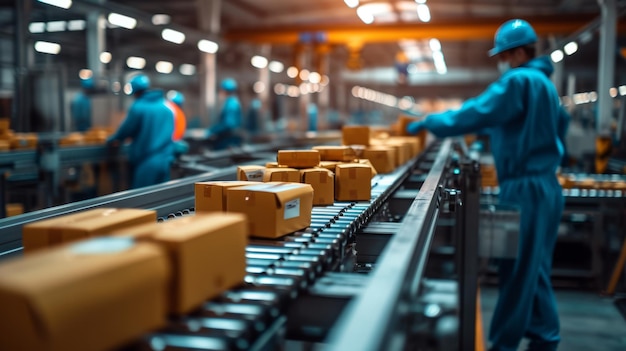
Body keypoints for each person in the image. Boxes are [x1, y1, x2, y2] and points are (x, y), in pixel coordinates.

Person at [406, 19, 570, 351]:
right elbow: (554, 126)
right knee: (535, 266)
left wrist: (431, 122)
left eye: (506, 55)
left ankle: (504, 344)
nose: (503, 62)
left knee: (517, 268)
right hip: (546, 186)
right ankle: (544, 337)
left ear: (521, 51)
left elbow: (477, 112)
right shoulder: (546, 85)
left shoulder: (519, 81)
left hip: (524, 189)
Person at [107, 74, 175, 189]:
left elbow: (126, 129)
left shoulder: (138, 107)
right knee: (163, 198)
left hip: (146, 161)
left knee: (142, 201)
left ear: (135, 91)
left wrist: (114, 139)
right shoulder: (167, 108)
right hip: (165, 160)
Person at [207, 78, 243, 150]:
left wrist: (211, 131)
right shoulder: (232, 102)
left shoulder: (231, 104)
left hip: (228, 140)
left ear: (224, 90)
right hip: (230, 138)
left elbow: (228, 124)